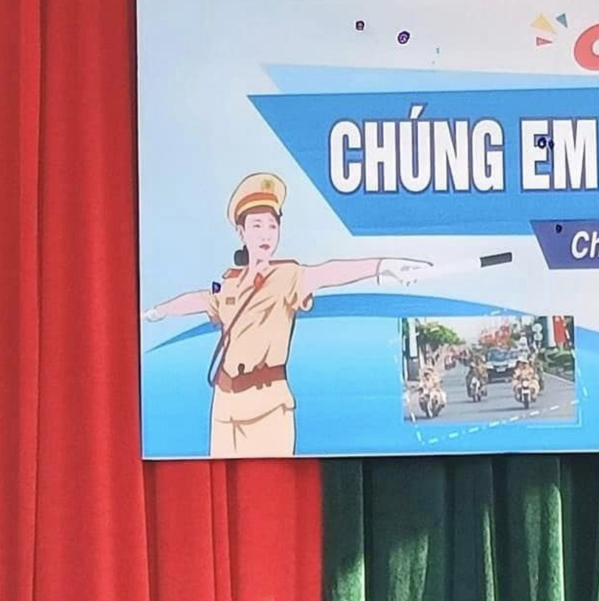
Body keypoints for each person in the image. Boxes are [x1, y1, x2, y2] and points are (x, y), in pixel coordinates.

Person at [143, 172, 431, 456]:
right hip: (225, 406)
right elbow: (201, 300)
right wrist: (160, 311)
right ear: (241, 232)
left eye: (272, 225)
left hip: (267, 407)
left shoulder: (287, 276)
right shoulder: (230, 283)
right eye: (257, 225)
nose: (265, 234)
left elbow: (328, 273)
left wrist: (382, 265)